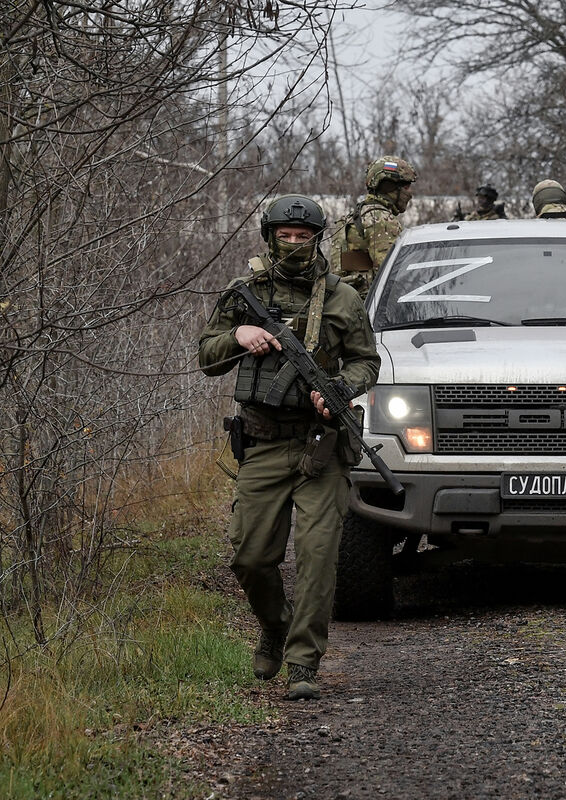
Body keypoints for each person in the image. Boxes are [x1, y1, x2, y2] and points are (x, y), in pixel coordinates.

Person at [199, 194, 381, 701]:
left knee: (319, 558)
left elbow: (368, 362)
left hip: (322, 445)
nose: (295, 244)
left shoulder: (343, 298)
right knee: (251, 557)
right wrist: (241, 332)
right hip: (262, 442)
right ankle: (275, 627)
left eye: (304, 237)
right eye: (286, 236)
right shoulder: (244, 294)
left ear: (317, 239)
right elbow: (207, 356)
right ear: (271, 237)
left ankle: (303, 663)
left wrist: (341, 387)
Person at [329, 155, 418, 299]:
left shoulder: (357, 215)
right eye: (406, 187)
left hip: (346, 301)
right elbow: (392, 275)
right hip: (370, 304)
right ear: (389, 186)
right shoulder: (381, 220)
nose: (410, 194)